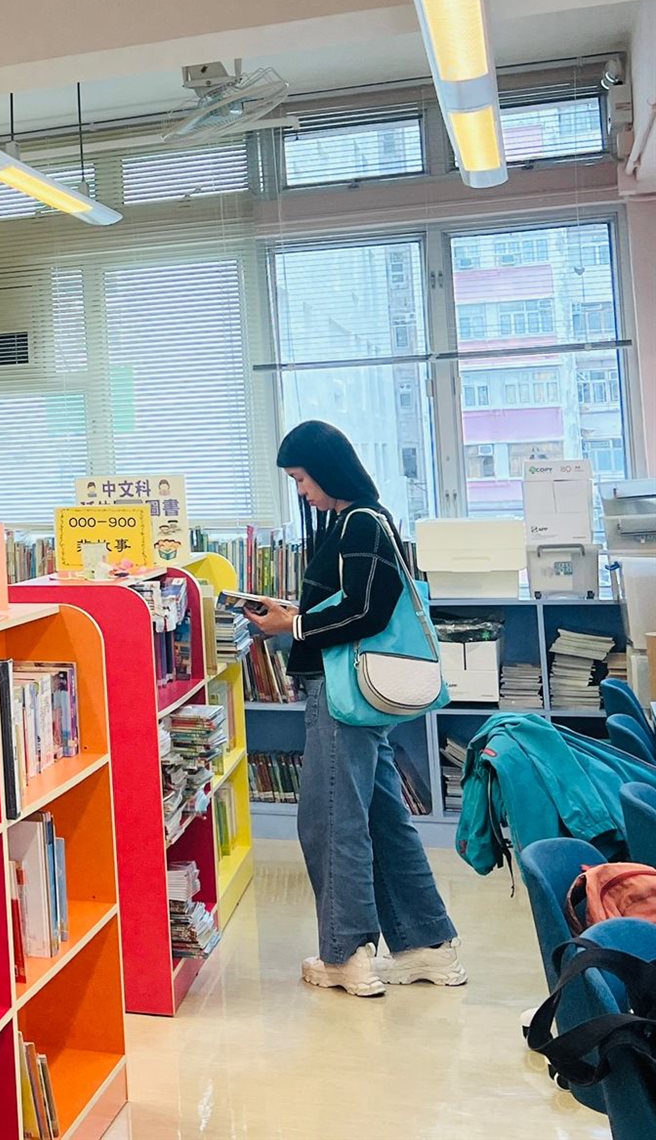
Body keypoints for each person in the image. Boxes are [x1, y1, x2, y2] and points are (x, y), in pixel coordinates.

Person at [247, 420, 463, 996]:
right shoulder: (359, 521)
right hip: (356, 692)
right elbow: (355, 603)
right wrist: (294, 612)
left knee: (331, 818)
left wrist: (293, 625)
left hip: (343, 692)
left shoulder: (360, 521)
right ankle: (426, 945)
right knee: (382, 820)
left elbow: (366, 611)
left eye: (301, 479)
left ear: (326, 469)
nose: (301, 492)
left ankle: (346, 954)